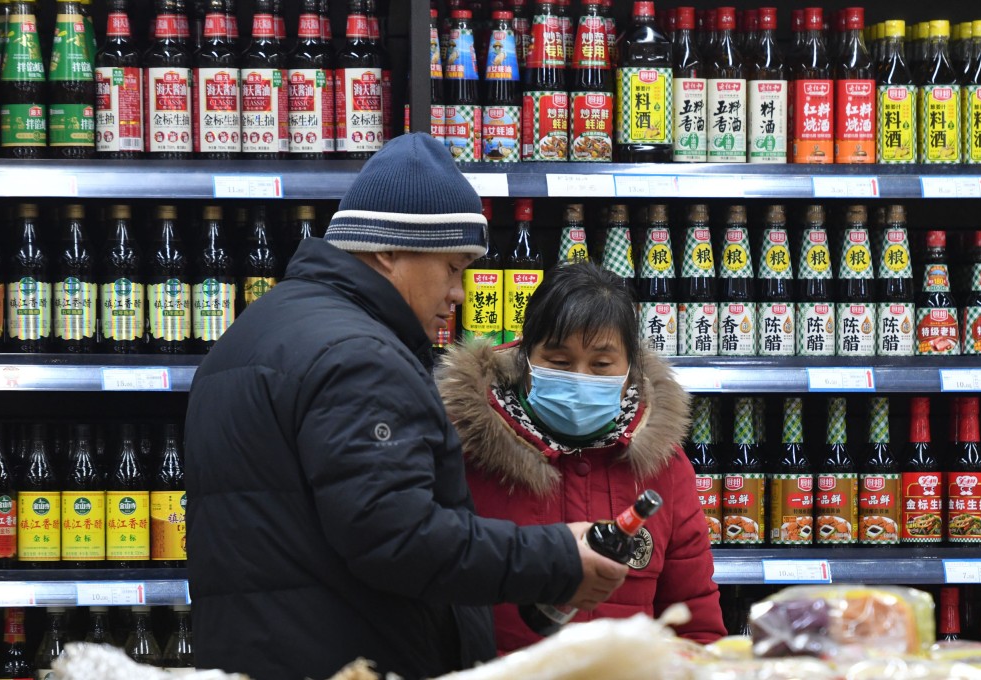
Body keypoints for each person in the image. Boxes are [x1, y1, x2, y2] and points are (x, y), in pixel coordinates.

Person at [183, 133, 630, 680]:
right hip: (346, 664)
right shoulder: (359, 358)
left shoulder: (260, 330)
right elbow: (396, 536)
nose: (460, 293)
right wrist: (556, 557)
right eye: (453, 266)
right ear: (389, 249)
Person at [437, 263, 727, 653]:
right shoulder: (464, 450)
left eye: (602, 365)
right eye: (558, 362)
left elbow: (695, 623)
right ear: (525, 357)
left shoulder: (664, 468)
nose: (580, 377)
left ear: (630, 370)